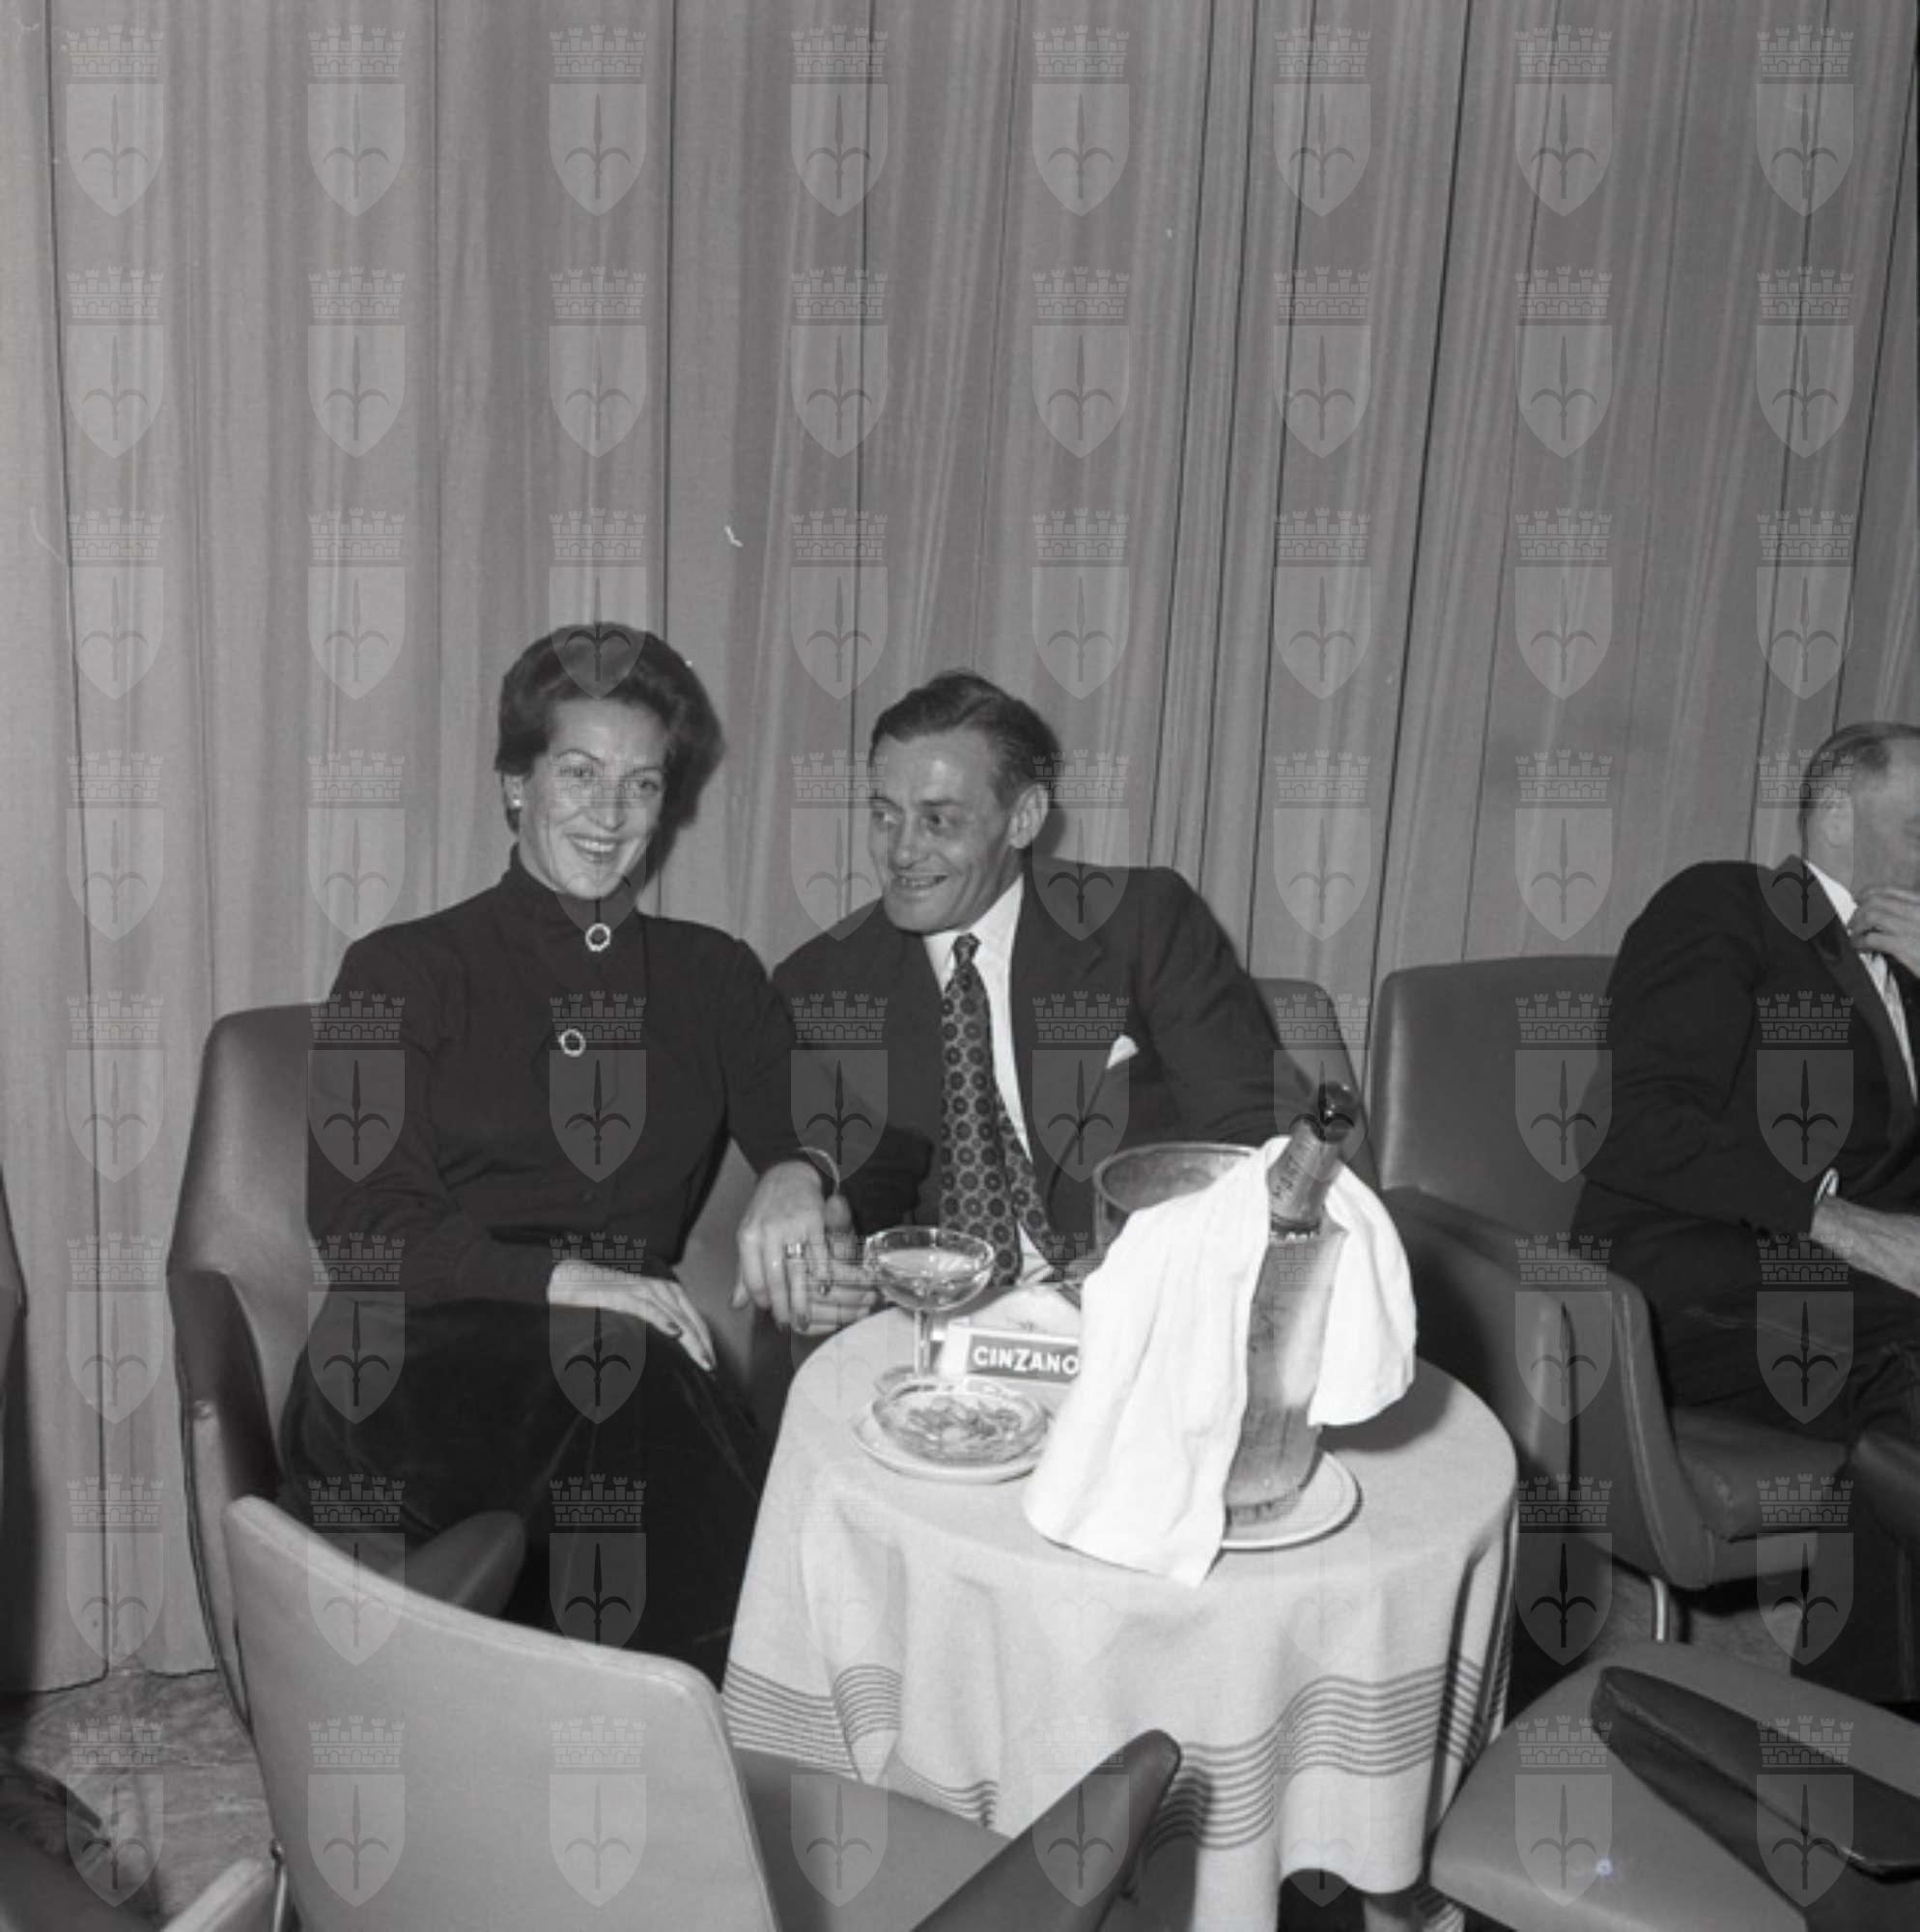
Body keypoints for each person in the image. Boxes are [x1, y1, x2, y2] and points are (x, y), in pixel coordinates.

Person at [283, 627, 852, 1685]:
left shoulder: (713, 976)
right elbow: (360, 1225)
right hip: (409, 1363)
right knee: (633, 1386)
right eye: (579, 773)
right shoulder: (400, 966)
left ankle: (690, 1725)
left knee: (631, 1390)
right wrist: (565, 1279)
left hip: (618, 1359)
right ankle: (738, 1718)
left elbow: (822, 1119)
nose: (611, 812)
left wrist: (798, 1169)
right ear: (516, 783)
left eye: (643, 784)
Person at [750, 669, 1308, 1331]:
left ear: (1023, 819)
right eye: (884, 815)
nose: (901, 850)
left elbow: (1254, 1136)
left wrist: (1158, 1272)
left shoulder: (1142, 924)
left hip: (1144, 1306)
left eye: (937, 820)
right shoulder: (821, 982)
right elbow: (865, 1179)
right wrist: (834, 1248)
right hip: (946, 1324)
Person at [1572, 720, 1920, 1697]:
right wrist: (1856, 1231)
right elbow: (1641, 1126)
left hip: (1853, 1304)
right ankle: (1854, 1738)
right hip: (1689, 1274)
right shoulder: (1728, 903)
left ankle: (1853, 1720)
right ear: (1837, 813)